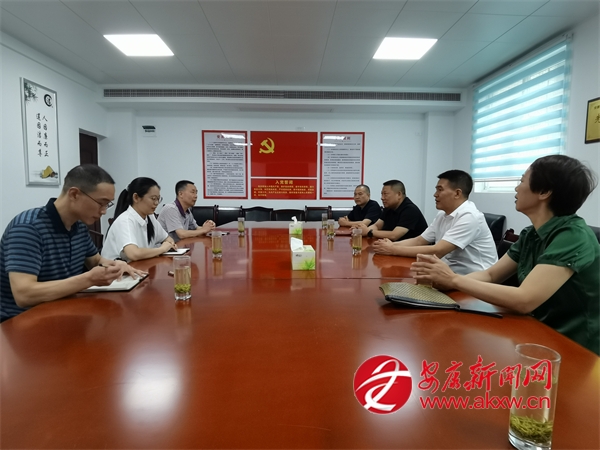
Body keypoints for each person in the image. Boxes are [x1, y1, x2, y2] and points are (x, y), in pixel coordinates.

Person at [413, 155, 599, 355]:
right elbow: (491, 275)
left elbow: (525, 299)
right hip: (537, 332)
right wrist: (447, 282)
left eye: (522, 181)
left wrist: (454, 280)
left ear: (544, 192)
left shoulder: (573, 236)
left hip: (576, 347)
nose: (517, 188)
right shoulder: (531, 234)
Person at [0, 165, 144, 322]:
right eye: (101, 203)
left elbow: (95, 261)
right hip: (21, 321)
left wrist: (116, 265)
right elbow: (24, 295)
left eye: (108, 204)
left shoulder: (79, 226)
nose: (104, 211)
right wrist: (89, 279)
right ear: (74, 194)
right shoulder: (28, 228)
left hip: (63, 310)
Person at [373, 170, 497, 274]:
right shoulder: (442, 215)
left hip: (474, 280)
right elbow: (419, 241)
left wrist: (392, 249)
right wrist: (390, 245)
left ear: (457, 193)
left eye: (440, 190)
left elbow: (437, 251)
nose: (435, 194)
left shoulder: (469, 217)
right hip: (448, 273)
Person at [102, 177, 176, 262]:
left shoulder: (150, 217)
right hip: (115, 268)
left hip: (139, 266)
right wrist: (161, 249)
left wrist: (170, 244)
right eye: (153, 198)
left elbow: (167, 239)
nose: (156, 203)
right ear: (136, 197)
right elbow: (133, 254)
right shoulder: (125, 220)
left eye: (158, 199)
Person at [353, 180, 427, 241]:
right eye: (382, 194)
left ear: (399, 194)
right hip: (394, 247)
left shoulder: (410, 210)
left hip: (414, 251)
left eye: (385, 194)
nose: (382, 198)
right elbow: (377, 226)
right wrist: (362, 230)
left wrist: (369, 232)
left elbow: (394, 235)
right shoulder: (389, 208)